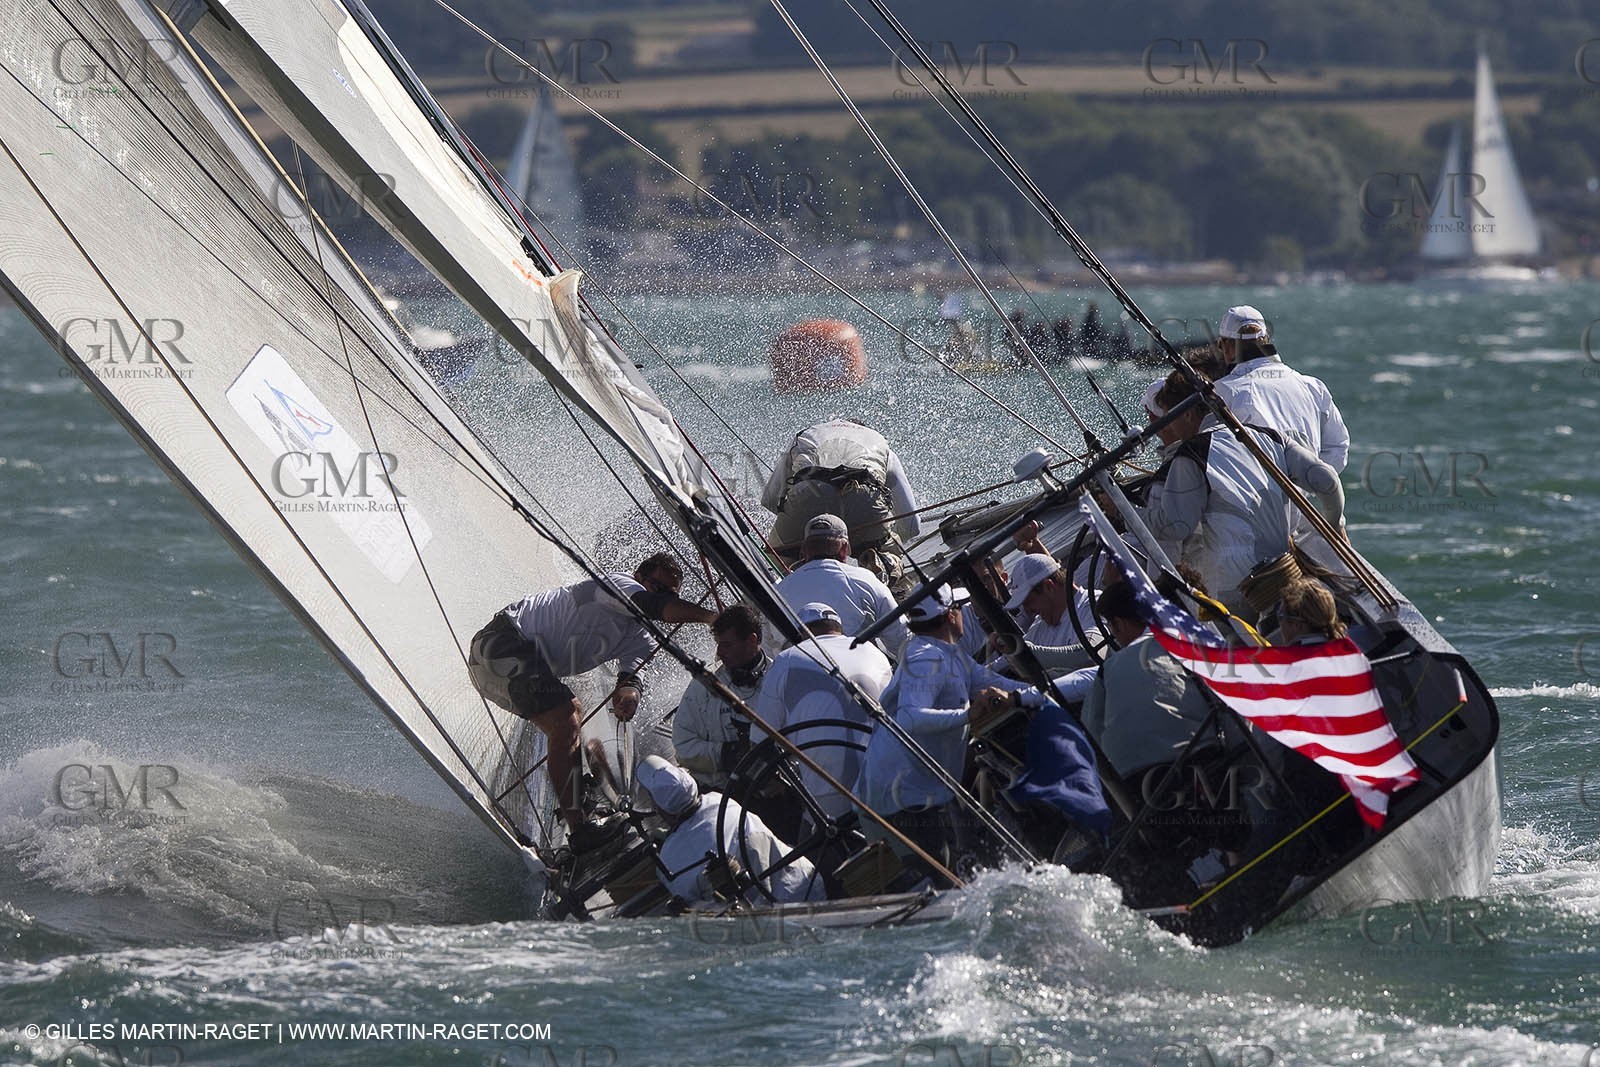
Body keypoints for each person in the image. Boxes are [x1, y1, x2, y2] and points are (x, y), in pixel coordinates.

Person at [467, 552, 717, 851]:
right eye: (657, 586)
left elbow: (631, 678)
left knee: (564, 730)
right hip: (500, 642)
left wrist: (628, 696)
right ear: (639, 577)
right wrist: (712, 618)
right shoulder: (614, 585)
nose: (661, 596)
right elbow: (652, 606)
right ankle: (580, 829)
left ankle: (575, 810)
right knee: (568, 715)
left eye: (670, 594)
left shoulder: (641, 637)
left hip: (509, 670)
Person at [856, 584, 1044, 881]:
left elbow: (998, 684)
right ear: (950, 615)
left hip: (913, 787)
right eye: (960, 608)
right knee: (941, 875)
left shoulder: (948, 654)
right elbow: (910, 717)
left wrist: (1047, 694)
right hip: (902, 791)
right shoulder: (926, 657)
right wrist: (967, 715)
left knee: (955, 865)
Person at [1143, 371, 1345, 616]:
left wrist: (1129, 514)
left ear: (1186, 413)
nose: (1170, 426)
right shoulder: (1269, 437)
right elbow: (1326, 481)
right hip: (1283, 575)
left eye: (1171, 417)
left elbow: (1176, 526)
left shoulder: (1193, 453)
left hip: (1234, 588)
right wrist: (1332, 524)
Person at [753, 602, 892, 822]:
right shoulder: (872, 651)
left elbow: (760, 740)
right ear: (839, 628)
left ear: (801, 632)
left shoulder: (786, 659)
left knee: (808, 847)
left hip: (830, 792)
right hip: (889, 774)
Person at [636, 755, 825, 906]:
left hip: (764, 924)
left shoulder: (668, 860)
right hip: (807, 886)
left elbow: (688, 901)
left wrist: (669, 843)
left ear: (659, 808)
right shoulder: (721, 801)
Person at [1078, 583, 1215, 779]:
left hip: (1135, 778)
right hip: (1198, 759)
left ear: (1119, 624)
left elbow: (1091, 731)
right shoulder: (1185, 645)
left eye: (1111, 628)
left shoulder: (1106, 670)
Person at [1211, 304, 1349, 472]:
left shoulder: (1221, 392)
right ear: (1266, 339)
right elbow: (1338, 447)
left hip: (1255, 496)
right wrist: (1312, 483)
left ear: (1227, 346)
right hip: (1307, 494)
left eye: (1220, 345)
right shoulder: (1313, 387)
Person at [761, 418, 921, 556]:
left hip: (807, 496)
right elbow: (912, 525)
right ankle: (880, 573)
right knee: (886, 561)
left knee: (777, 559)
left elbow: (770, 500)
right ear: (865, 431)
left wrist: (811, 531)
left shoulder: (805, 435)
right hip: (865, 500)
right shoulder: (881, 446)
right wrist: (883, 537)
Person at [774, 513, 910, 656]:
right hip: (860, 674)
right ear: (845, 548)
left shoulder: (780, 591)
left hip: (799, 674)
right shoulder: (865, 580)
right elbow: (902, 642)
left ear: (803, 550)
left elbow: (770, 650)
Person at [672, 604, 769, 792]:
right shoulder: (703, 687)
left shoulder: (779, 679)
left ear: (751, 640)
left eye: (727, 645)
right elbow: (682, 746)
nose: (720, 653)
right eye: (718, 644)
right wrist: (726, 755)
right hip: (722, 794)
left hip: (775, 793)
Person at [992, 553, 1104, 673]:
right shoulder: (1040, 624)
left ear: (1048, 587)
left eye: (1028, 601)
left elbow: (1091, 653)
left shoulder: (1094, 604)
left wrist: (1028, 653)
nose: (1028, 611)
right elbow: (1001, 664)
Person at [1276, 578, 1348, 643]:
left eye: (1280, 617)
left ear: (1297, 625)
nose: (1281, 625)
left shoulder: (1294, 657)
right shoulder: (1350, 648)